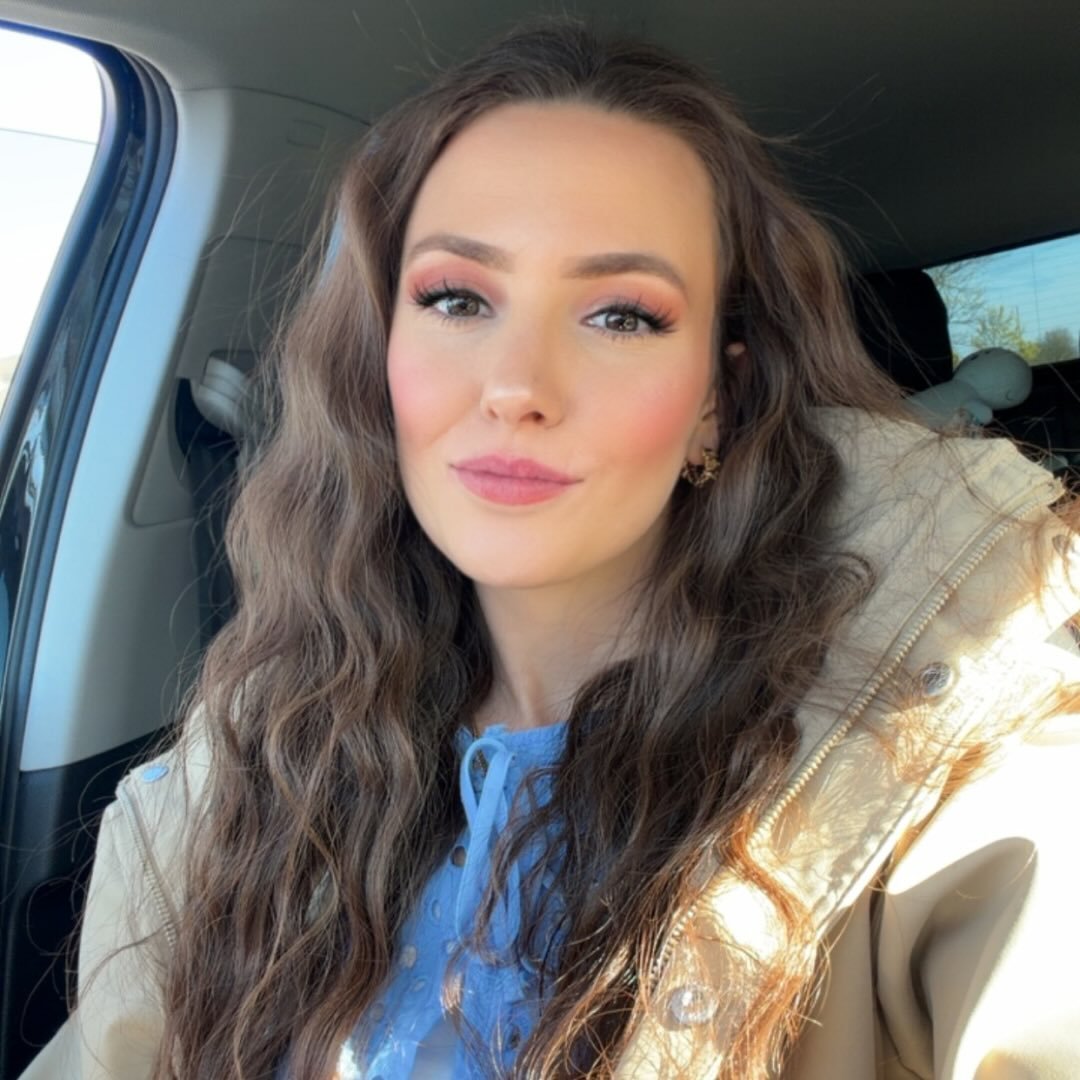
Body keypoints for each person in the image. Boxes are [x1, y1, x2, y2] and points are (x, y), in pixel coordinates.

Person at [21, 18, 1080, 1080]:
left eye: (621, 316)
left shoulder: (944, 755)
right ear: (377, 361)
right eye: (456, 299)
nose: (517, 386)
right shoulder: (228, 778)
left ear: (716, 401)